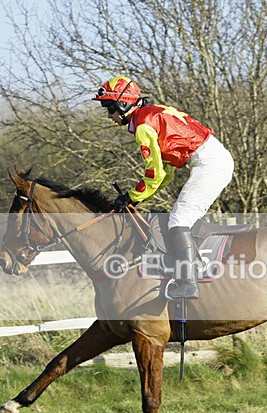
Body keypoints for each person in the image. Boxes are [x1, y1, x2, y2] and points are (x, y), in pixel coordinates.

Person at [93, 75, 234, 299]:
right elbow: (165, 174)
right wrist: (137, 196)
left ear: (123, 103)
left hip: (210, 164)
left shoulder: (143, 126)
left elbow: (155, 174)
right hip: (211, 160)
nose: (109, 116)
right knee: (178, 218)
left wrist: (132, 196)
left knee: (179, 220)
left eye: (110, 109)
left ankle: (189, 283)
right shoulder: (150, 113)